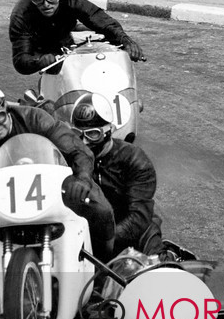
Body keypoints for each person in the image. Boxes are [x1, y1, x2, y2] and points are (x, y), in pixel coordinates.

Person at [0, 77, 117, 313]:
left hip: (53, 182)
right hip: (6, 196)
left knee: (101, 211)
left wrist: (81, 179)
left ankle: (100, 274)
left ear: (5, 107)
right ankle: (2, 280)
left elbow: (77, 150)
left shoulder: (34, 118)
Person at [9, 0, 145, 75]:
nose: (46, 5)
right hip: (40, 51)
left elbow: (99, 18)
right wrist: (38, 61)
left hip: (64, 40)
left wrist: (126, 41)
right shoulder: (21, 14)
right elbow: (20, 59)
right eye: (39, 0)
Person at [70, 92, 163, 256]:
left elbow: (139, 217)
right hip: (86, 234)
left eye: (93, 134)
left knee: (151, 270)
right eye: (79, 133)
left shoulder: (136, 161)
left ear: (109, 130)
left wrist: (103, 240)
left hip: (131, 235)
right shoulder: (70, 157)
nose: (84, 142)